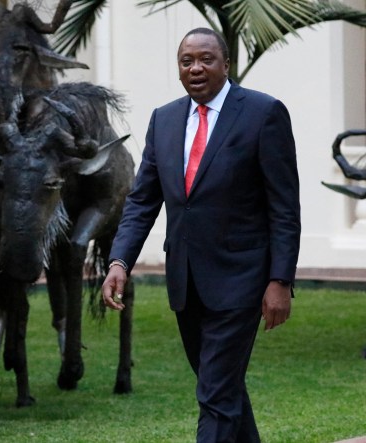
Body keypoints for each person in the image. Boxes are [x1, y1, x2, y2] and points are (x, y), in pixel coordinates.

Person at [102, 27, 301, 442]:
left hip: (242, 281)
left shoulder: (264, 114)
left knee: (214, 394)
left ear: (225, 64)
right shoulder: (165, 120)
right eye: (186, 60)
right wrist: (120, 261)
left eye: (206, 59)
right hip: (186, 283)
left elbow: (284, 207)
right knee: (223, 389)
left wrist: (280, 281)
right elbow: (142, 201)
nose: (196, 67)